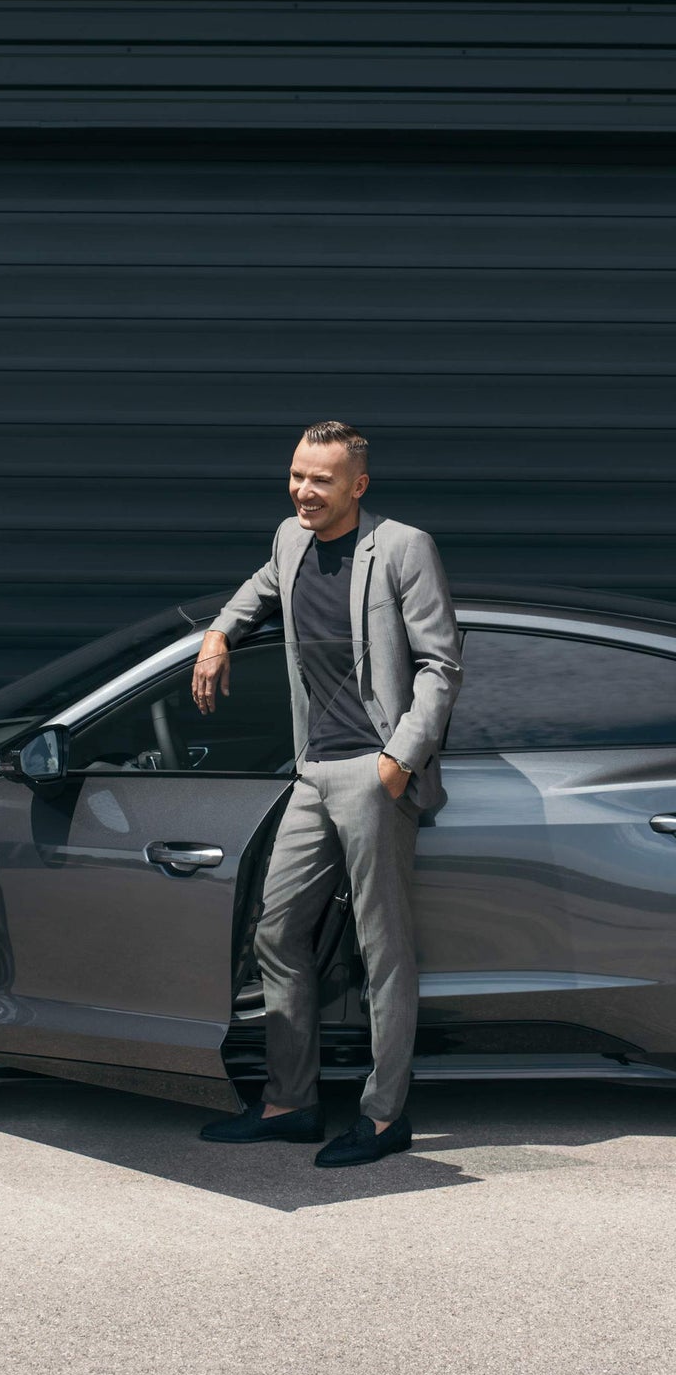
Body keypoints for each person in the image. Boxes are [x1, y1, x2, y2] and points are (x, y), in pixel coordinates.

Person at [193, 420, 462, 1167]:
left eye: (320, 480)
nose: (303, 491)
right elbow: (261, 588)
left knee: (383, 951)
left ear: (357, 486)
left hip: (375, 773)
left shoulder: (403, 548)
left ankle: (383, 1117)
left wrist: (399, 761)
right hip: (313, 769)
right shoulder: (290, 538)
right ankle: (290, 1100)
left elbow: (442, 666)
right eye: (296, 475)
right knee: (277, 932)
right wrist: (218, 636)